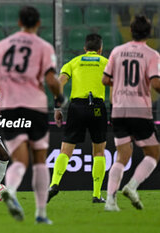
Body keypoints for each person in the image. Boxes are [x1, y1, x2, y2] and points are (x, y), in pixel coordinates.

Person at [0, 6, 63, 224]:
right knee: (39, 160)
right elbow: (52, 81)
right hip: (34, 106)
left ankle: (12, 190)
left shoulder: (2, 45)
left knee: (19, 159)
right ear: (38, 24)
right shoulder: (43, 47)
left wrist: (5, 89)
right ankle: (41, 214)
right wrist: (58, 98)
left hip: (8, 107)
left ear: (19, 22)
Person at [102, 15, 160, 211]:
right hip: (139, 110)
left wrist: (119, 84)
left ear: (131, 30)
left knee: (122, 156)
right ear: (148, 32)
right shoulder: (152, 54)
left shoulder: (117, 51)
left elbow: (105, 79)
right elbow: (155, 83)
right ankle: (132, 186)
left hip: (118, 110)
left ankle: (110, 200)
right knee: (154, 153)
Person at [48, 34, 109, 204]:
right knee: (98, 152)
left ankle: (54, 184)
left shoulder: (74, 62)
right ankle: (97, 194)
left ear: (85, 48)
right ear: (100, 49)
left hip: (77, 107)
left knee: (65, 150)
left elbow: (59, 83)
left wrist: (57, 108)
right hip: (97, 106)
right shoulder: (106, 62)